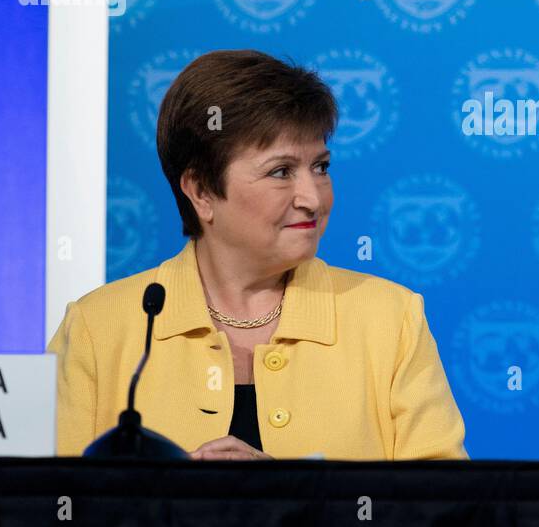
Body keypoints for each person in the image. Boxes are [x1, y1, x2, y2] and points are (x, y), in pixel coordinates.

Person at [48, 49, 468, 460]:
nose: (312, 198)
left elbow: (446, 519)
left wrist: (286, 503)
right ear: (201, 191)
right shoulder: (96, 331)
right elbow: (45, 515)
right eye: (281, 172)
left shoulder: (390, 320)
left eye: (320, 167)